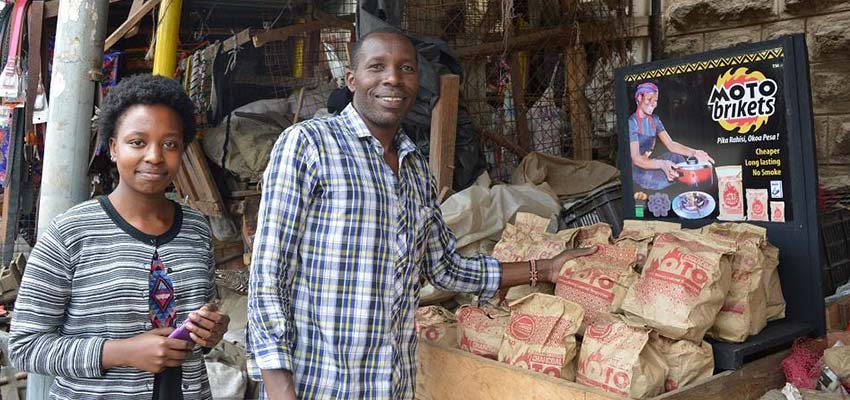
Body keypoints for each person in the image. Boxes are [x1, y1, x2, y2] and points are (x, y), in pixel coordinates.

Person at [247, 28, 595, 400]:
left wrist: (546, 268)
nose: (393, 78)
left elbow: (446, 268)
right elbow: (270, 274)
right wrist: (280, 389)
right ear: (351, 79)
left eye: (406, 68)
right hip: (319, 386)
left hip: (391, 386)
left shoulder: (416, 171)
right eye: (377, 67)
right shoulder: (309, 145)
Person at [9, 74, 230, 400]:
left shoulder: (196, 229)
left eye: (169, 143)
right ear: (113, 147)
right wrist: (119, 352)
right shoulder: (71, 233)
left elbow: (195, 328)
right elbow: (25, 346)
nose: (155, 156)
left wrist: (210, 334)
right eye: (138, 142)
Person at [629, 82, 715, 190]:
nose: (653, 103)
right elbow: (636, 159)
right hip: (638, 171)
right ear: (639, 98)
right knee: (678, 176)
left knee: (676, 158)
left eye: (655, 100)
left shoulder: (654, 120)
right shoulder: (632, 123)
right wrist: (662, 164)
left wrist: (694, 152)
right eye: (649, 99)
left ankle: (692, 189)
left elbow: (671, 145)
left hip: (651, 163)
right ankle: (683, 187)